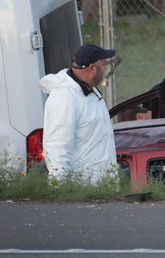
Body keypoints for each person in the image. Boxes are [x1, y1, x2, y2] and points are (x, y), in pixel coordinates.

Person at [38, 44, 118, 184]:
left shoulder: (90, 90)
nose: (106, 69)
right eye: (104, 65)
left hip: (101, 186)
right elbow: (57, 147)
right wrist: (61, 189)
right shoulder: (64, 97)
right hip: (83, 189)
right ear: (92, 68)